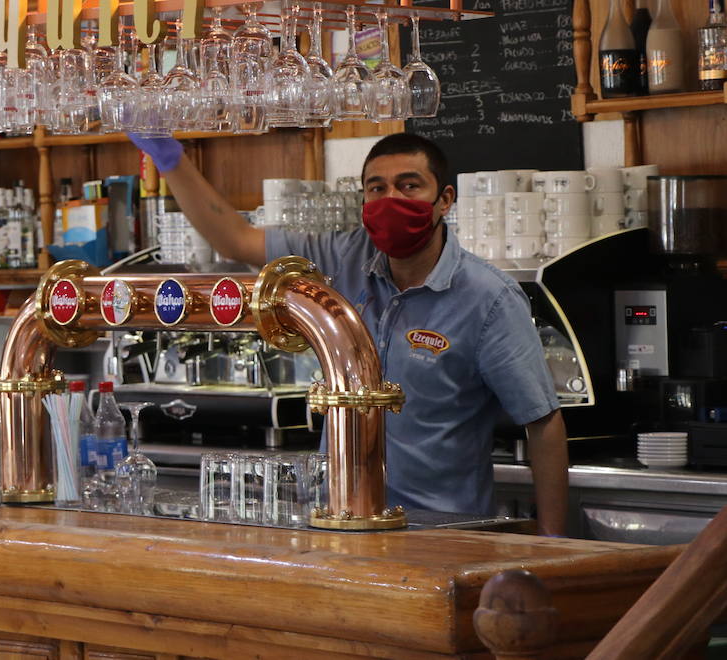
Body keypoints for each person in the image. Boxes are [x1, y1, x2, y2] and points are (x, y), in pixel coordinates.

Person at [130, 131, 568, 535]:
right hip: (339, 521)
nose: (391, 198)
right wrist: (169, 158)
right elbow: (235, 239)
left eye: (409, 185)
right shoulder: (341, 259)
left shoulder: (489, 298)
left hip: (442, 531)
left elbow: (543, 422)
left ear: (444, 199)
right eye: (377, 188)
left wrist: (553, 542)